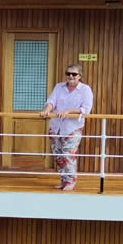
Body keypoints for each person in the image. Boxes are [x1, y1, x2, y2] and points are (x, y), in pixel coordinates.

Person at [40, 63, 93, 191]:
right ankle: (63, 180)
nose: (70, 76)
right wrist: (47, 109)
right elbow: (51, 101)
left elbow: (86, 109)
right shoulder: (59, 87)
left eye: (74, 74)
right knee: (58, 155)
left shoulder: (85, 90)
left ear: (80, 76)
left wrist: (68, 111)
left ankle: (71, 180)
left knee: (68, 154)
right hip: (56, 126)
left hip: (72, 127)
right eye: (68, 73)